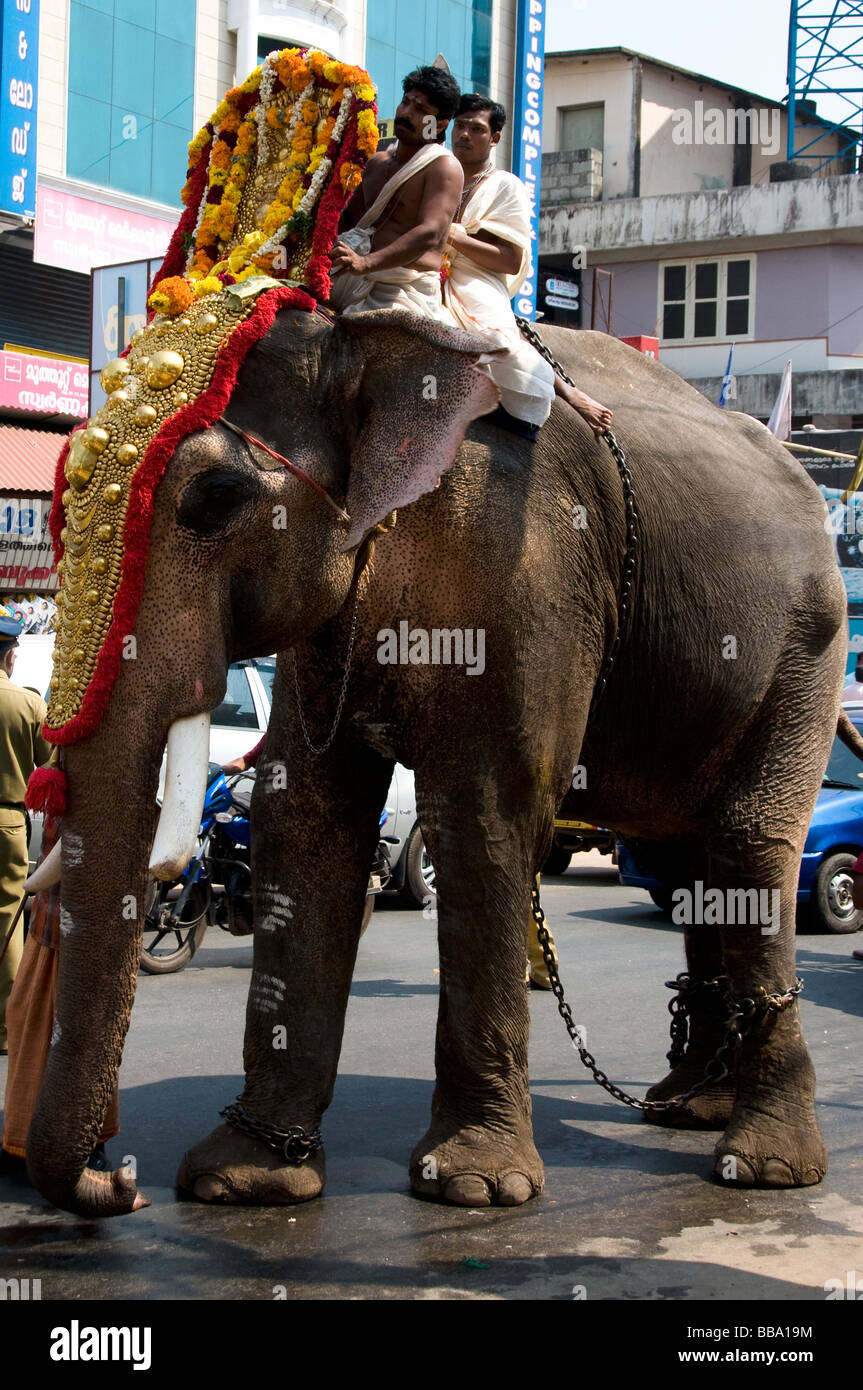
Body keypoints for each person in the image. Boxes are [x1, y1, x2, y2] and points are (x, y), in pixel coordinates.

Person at [444, 94, 613, 437]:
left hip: (477, 277)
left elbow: (510, 259)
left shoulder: (505, 186)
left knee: (497, 339)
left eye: (476, 129)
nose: (463, 134)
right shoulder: (439, 174)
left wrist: (454, 238)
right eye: (459, 126)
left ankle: (567, 392)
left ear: (494, 138)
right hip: (429, 268)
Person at [328, 65, 464, 320]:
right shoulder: (377, 162)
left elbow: (430, 232)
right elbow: (347, 220)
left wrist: (366, 263)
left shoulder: (443, 166)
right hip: (348, 274)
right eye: (405, 103)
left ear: (440, 124)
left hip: (403, 288)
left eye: (421, 110)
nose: (406, 113)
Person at [0, 616, 54, 1053]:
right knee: (6, 919)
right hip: (7, 823)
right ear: (9, 656)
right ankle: (5, 1029)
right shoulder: (26, 704)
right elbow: (51, 768)